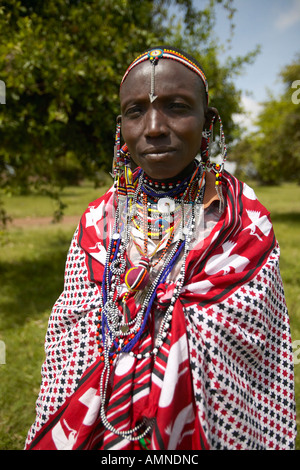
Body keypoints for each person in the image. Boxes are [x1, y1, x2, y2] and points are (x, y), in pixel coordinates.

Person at [25, 46, 297, 450]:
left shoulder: (242, 222)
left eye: (176, 106)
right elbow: (71, 341)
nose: (153, 126)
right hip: (105, 428)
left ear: (209, 121)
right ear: (121, 127)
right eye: (136, 111)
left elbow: (258, 352)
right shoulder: (98, 223)